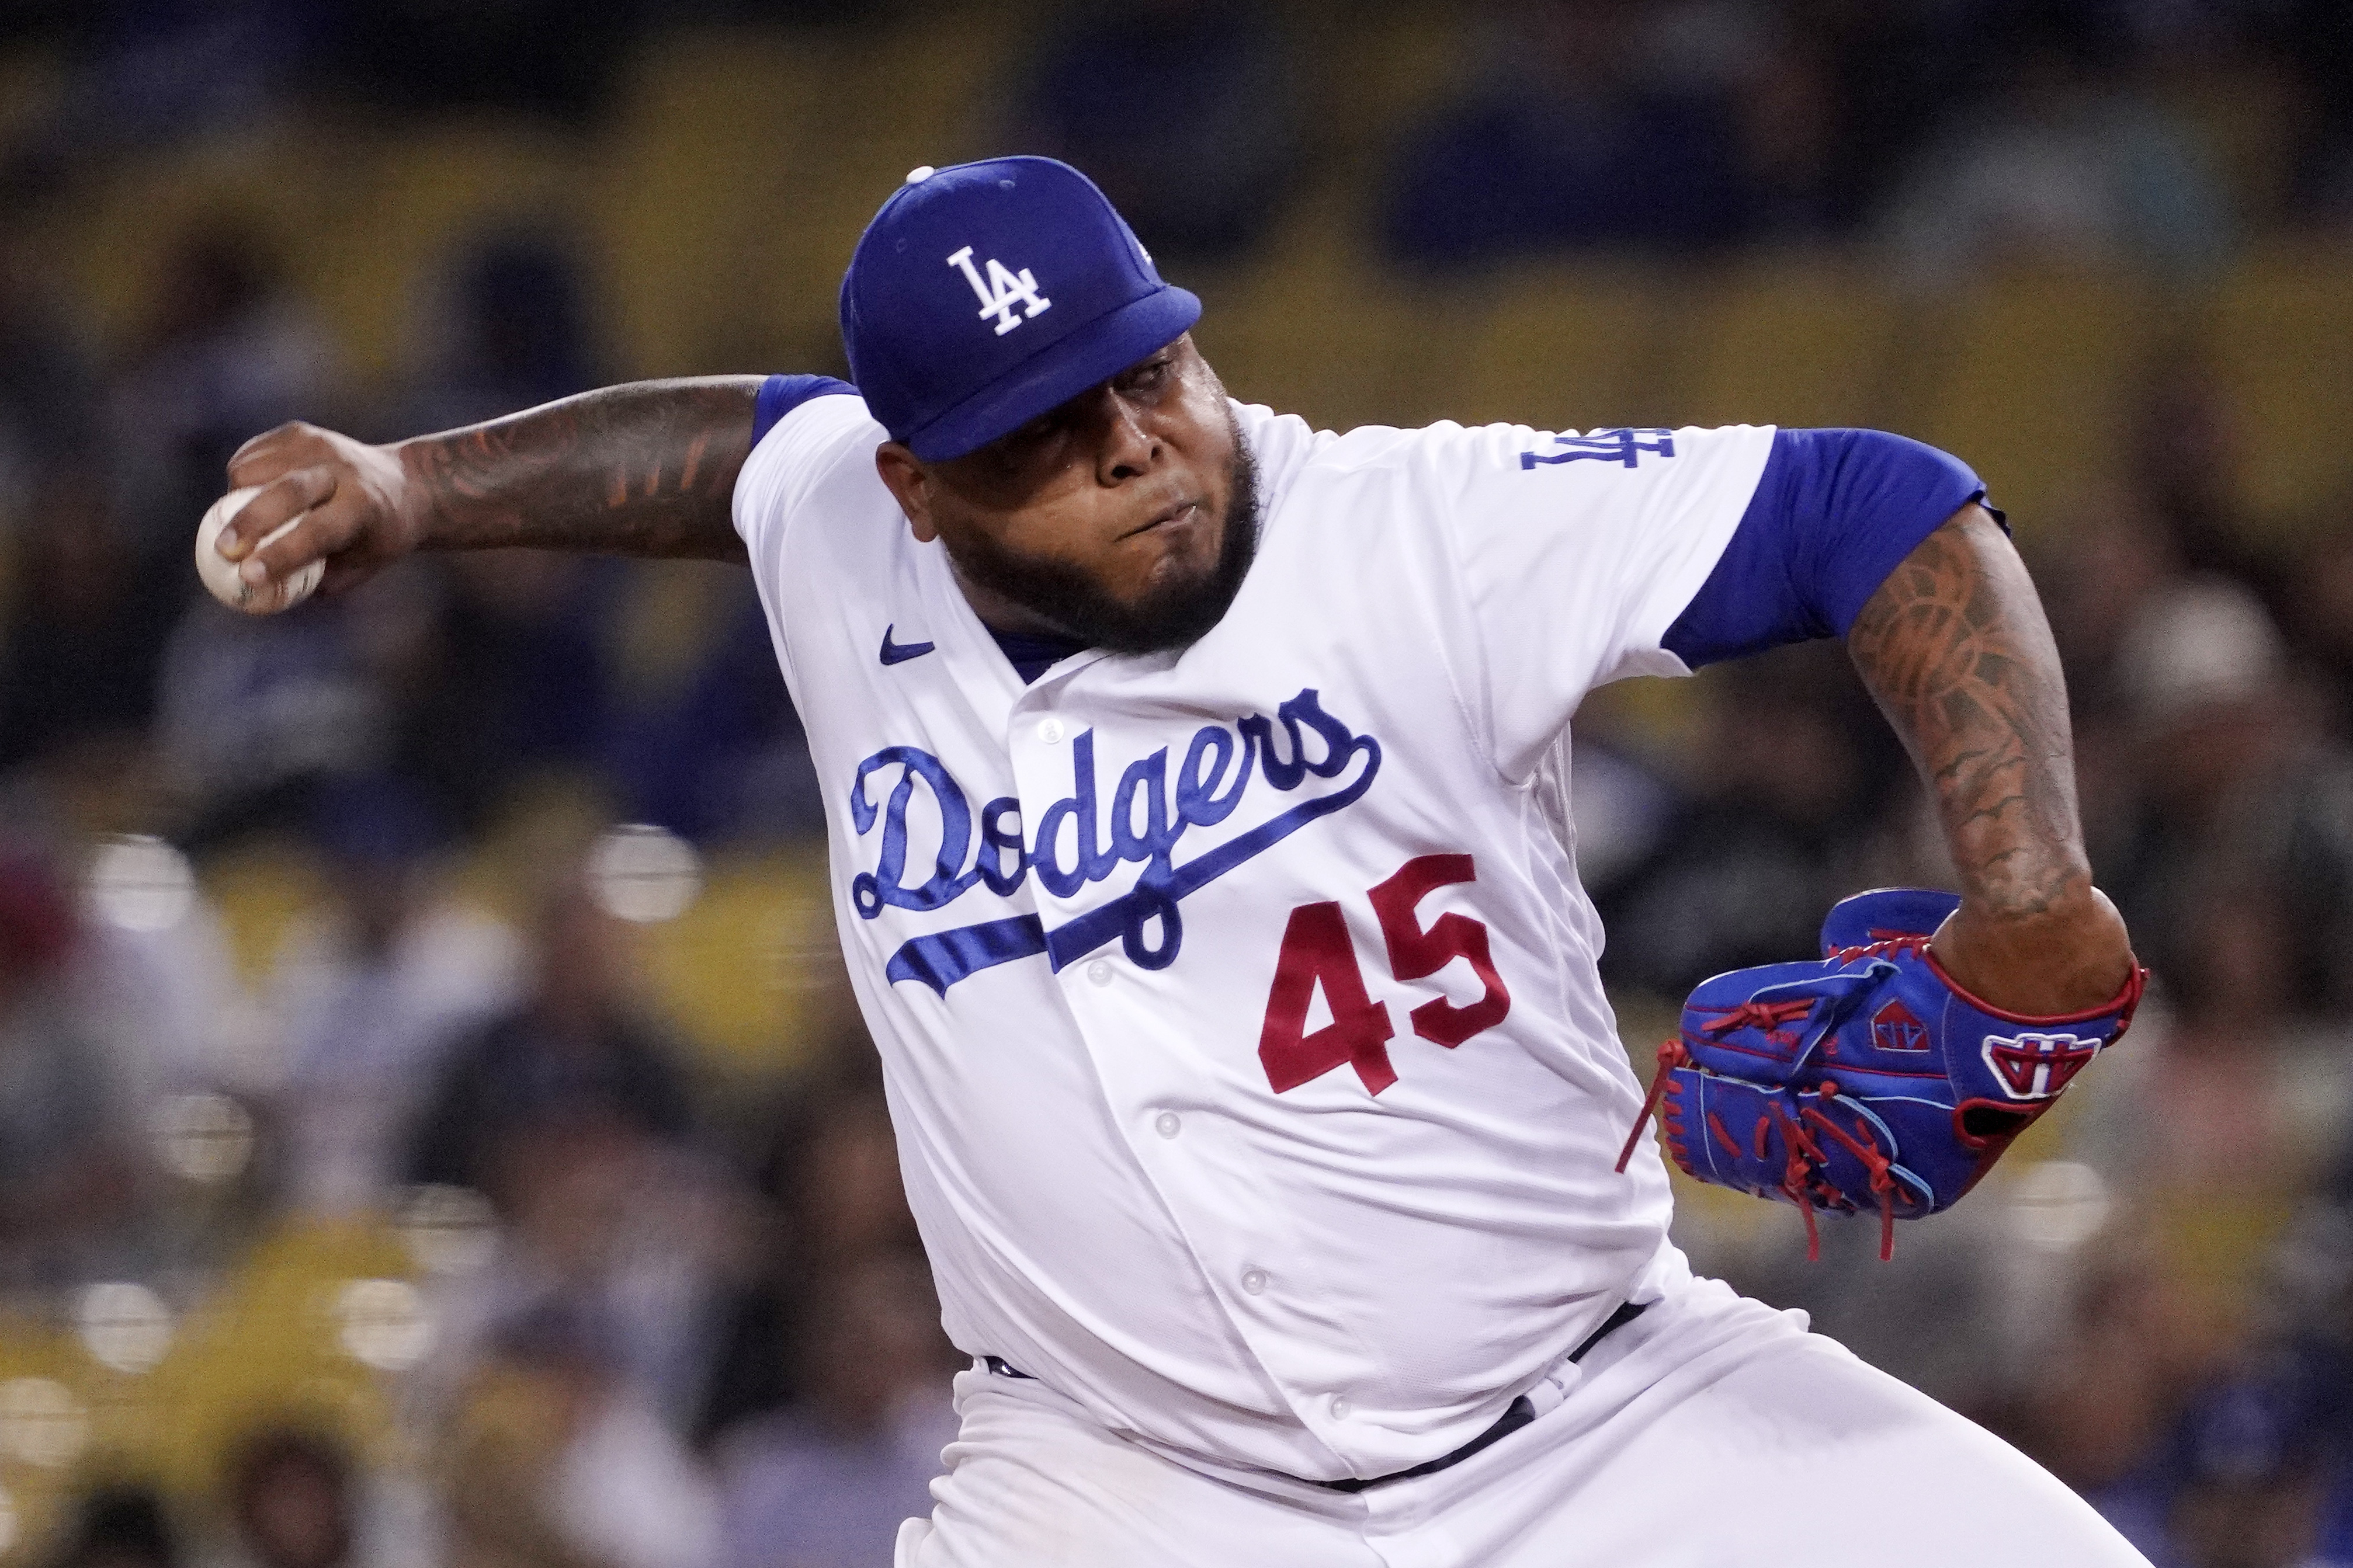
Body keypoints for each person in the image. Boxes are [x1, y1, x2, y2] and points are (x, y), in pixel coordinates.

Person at [211, 156, 2147, 1565]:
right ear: (920, 484)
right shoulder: (841, 515)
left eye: (1149, 373)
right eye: (1048, 434)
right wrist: (411, 491)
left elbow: (1873, 508)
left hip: (1605, 1420)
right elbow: (735, 450)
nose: (1137, 444)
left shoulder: (1403, 528)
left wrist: (2030, 900)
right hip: (1121, 1490)